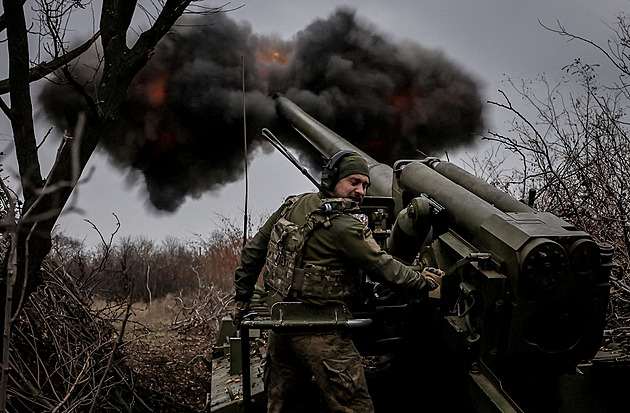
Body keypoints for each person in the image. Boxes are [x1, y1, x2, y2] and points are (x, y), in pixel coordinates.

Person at [233, 150, 444, 413]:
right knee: (354, 407)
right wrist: (424, 282)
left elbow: (254, 251)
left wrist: (242, 298)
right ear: (332, 180)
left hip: (281, 328)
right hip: (323, 334)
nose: (360, 191)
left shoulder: (292, 204)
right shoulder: (345, 226)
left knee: (282, 406)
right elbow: (383, 268)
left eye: (365, 185)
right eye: (353, 182)